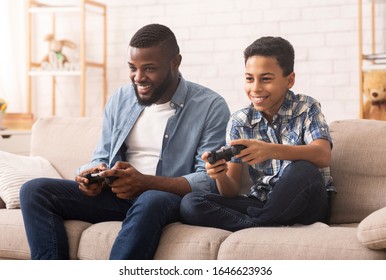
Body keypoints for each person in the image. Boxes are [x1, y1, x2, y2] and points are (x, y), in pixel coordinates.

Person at [19, 23, 230, 259]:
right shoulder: (121, 98)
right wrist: (91, 175)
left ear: (175, 62)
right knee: (34, 190)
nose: (138, 77)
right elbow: (102, 155)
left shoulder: (210, 105)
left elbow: (208, 180)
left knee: (151, 199)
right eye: (132, 68)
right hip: (117, 196)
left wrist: (146, 183)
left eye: (149, 68)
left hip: (164, 199)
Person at [180, 36, 335, 231]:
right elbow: (231, 190)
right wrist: (219, 175)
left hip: (307, 204)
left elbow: (322, 155)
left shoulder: (306, 107)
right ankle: (265, 225)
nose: (255, 88)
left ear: (290, 80)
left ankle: (258, 224)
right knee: (191, 203)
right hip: (263, 202)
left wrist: (271, 150)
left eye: (266, 79)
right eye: (249, 79)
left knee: (302, 168)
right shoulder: (239, 121)